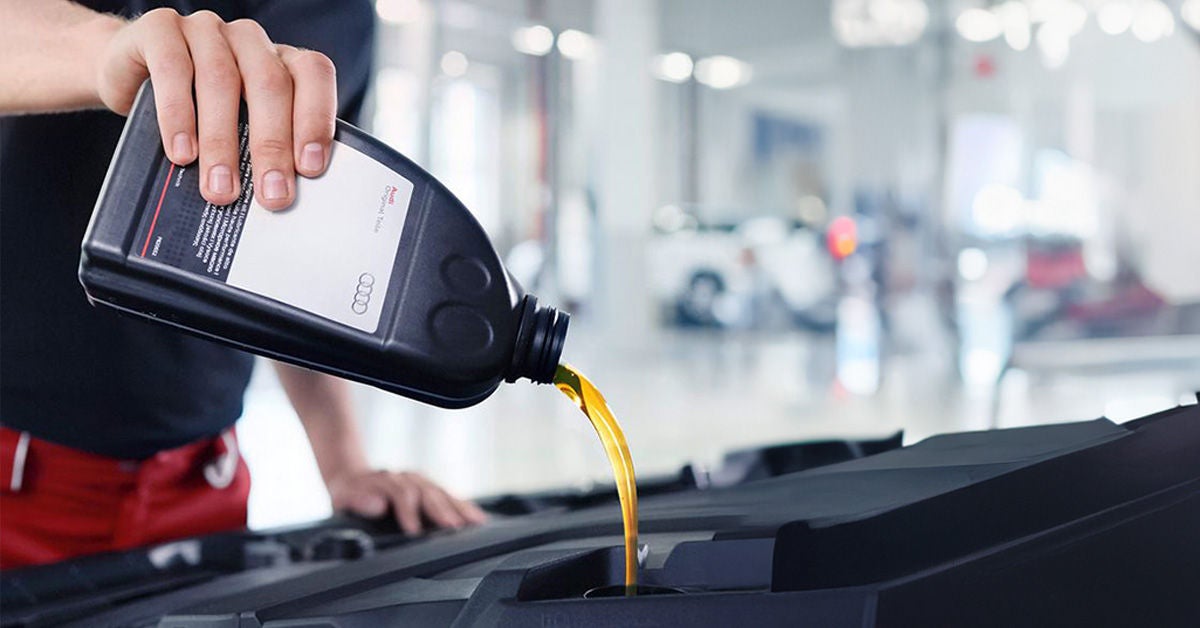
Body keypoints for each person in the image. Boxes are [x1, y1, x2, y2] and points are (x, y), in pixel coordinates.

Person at [0, 0, 486, 570]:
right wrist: (105, 51)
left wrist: (345, 464)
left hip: (206, 484)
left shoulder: (342, 18)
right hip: (17, 475)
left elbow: (301, 268)